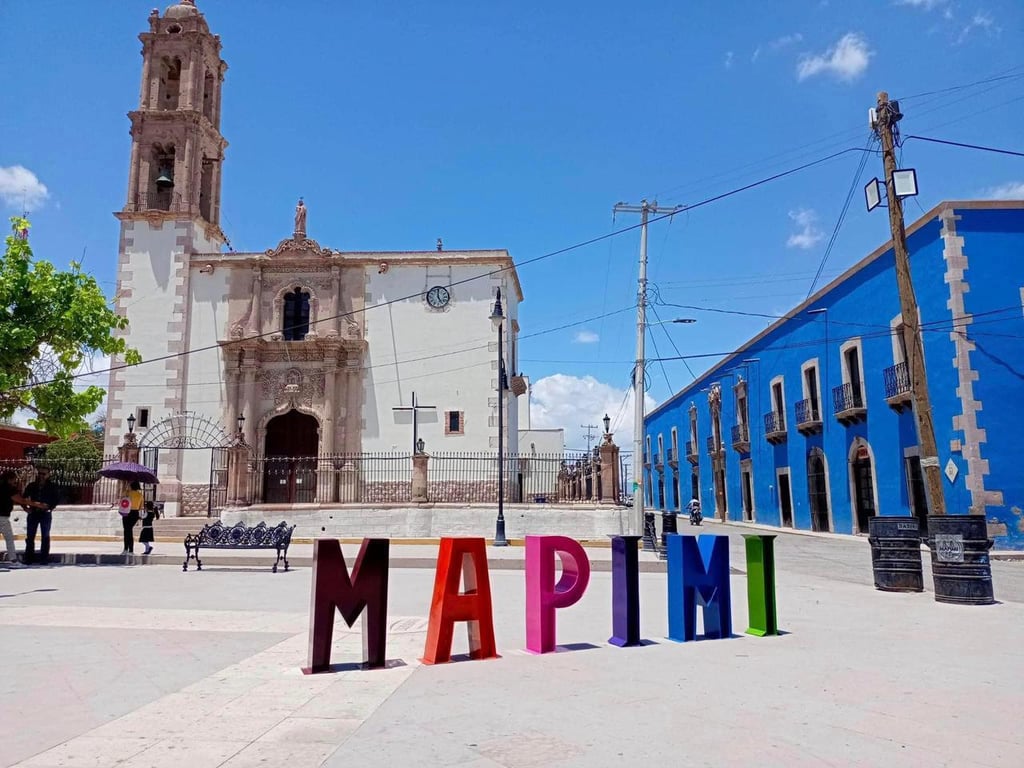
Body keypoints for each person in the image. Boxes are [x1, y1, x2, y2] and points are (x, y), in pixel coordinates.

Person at [22, 467, 61, 565]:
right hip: (33, 513)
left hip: (45, 514)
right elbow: (23, 498)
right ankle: (29, 557)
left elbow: (56, 499)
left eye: (44, 474)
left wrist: (49, 508)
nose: (41, 476)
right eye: (40, 473)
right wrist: (25, 508)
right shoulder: (31, 486)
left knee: (45, 536)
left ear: (48, 475)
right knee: (30, 536)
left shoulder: (52, 487)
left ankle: (44, 558)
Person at [1, 469, 30, 565]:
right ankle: (13, 560)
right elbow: (21, 500)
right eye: (14, 479)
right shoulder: (9, 489)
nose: (15, 482)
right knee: (9, 538)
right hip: (3, 517)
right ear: (9, 479)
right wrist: (36, 504)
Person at [121, 481, 144, 555]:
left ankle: (126, 549)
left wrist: (127, 489)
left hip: (126, 512)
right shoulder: (140, 495)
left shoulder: (127, 493)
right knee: (129, 530)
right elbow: (141, 507)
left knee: (126, 531)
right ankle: (130, 550)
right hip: (135, 513)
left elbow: (122, 500)